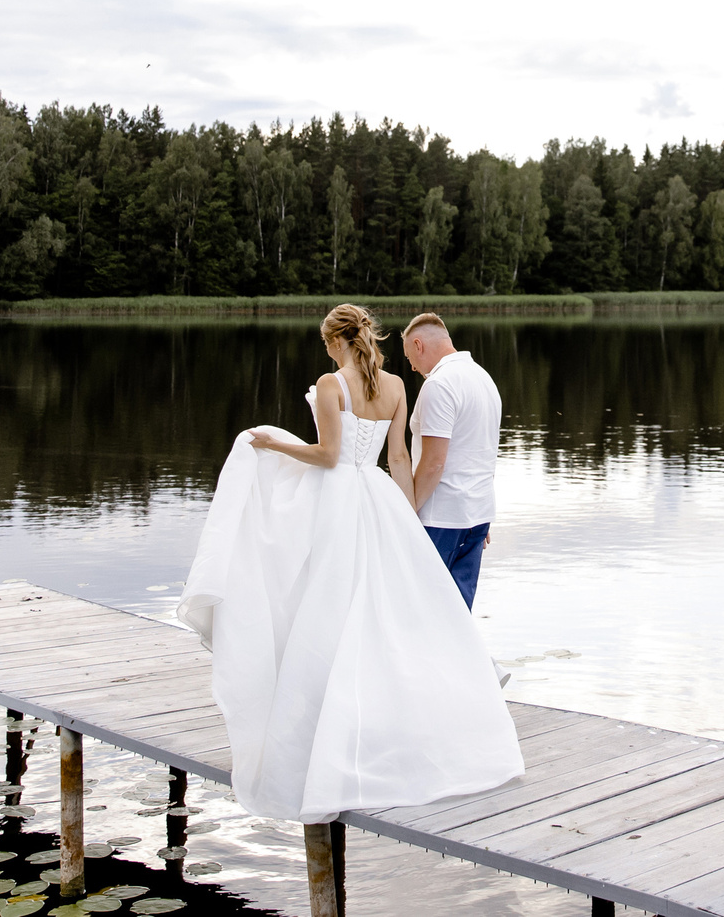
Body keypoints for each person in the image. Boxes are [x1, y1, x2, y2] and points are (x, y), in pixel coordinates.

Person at [176, 305, 522, 824]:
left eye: (327, 344)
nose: (327, 352)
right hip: (382, 499)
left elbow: (327, 456)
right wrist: (405, 519)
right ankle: (408, 710)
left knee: (324, 601)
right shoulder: (397, 387)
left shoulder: (331, 383)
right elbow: (400, 459)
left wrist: (275, 443)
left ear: (336, 342)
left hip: (338, 500)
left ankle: (326, 715)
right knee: (387, 609)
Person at [402, 311, 501, 609]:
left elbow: (433, 463)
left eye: (410, 358)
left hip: (441, 517)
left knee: (425, 610)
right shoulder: (483, 378)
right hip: (477, 514)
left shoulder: (439, 384)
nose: (413, 367)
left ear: (418, 345)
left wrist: (406, 513)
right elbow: (482, 453)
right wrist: (476, 513)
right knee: (457, 613)